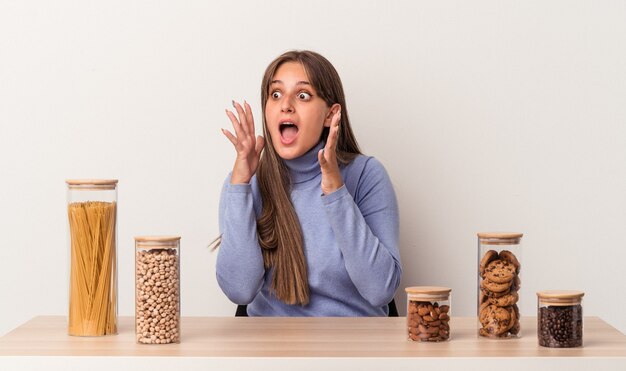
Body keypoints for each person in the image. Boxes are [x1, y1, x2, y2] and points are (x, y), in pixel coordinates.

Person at [215, 50, 401, 316]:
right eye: (275, 94)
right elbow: (240, 290)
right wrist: (240, 185)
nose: (286, 105)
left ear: (330, 115)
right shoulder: (245, 183)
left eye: (302, 96)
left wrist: (335, 192)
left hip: (355, 347)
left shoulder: (366, 175)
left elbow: (380, 289)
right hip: (271, 349)